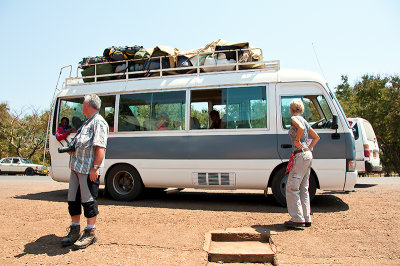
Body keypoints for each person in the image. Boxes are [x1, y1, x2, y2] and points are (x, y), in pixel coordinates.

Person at [61, 94, 109, 249]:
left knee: (88, 200)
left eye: (83, 103)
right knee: (73, 199)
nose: (81, 105)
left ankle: (90, 232)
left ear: (88, 105)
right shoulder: (86, 123)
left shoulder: (98, 122)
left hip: (88, 169)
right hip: (76, 167)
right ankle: (75, 229)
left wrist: (95, 168)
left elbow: (100, 147)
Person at [284, 99, 320, 228]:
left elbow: (300, 128)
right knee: (304, 188)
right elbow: (316, 137)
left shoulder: (295, 119)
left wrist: (297, 140)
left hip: (300, 154)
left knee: (292, 187)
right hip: (308, 155)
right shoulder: (305, 120)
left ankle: (297, 218)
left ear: (291, 109)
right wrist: (308, 147)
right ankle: (306, 217)